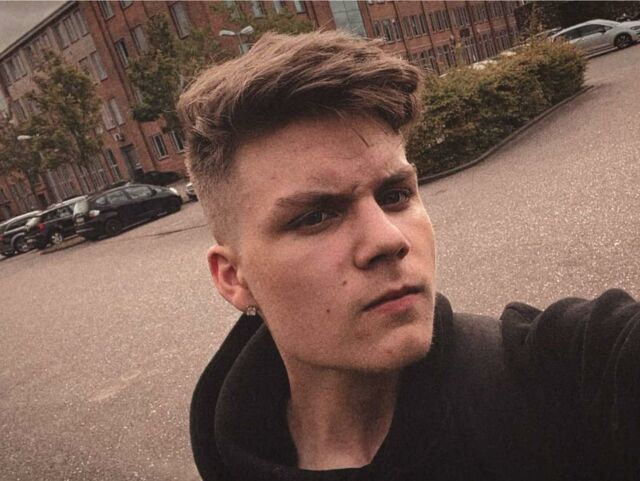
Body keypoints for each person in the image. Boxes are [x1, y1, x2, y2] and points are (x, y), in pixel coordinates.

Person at [177, 31, 640, 481]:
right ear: (233, 277)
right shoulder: (230, 456)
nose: (388, 239)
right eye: (316, 216)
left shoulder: (555, 379)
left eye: (395, 195)